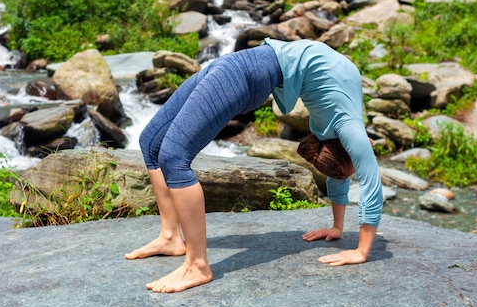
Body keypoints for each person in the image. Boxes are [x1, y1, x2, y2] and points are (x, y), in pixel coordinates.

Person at [125, 38, 384, 293]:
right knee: (152, 143)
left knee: (173, 157)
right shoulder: (347, 129)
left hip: (246, 70)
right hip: (242, 67)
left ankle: (197, 265)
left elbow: (339, 175)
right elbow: (370, 183)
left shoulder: (337, 131)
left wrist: (338, 229)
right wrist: (360, 250)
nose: (366, 152)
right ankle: (170, 237)